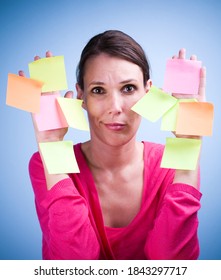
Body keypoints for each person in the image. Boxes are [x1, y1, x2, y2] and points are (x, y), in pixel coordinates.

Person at [20, 30, 206, 260]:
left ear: (148, 92)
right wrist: (50, 145)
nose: (115, 107)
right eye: (98, 90)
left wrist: (188, 148)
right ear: (81, 97)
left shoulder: (171, 166)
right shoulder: (44, 162)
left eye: (128, 88)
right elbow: (74, 268)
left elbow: (175, 267)